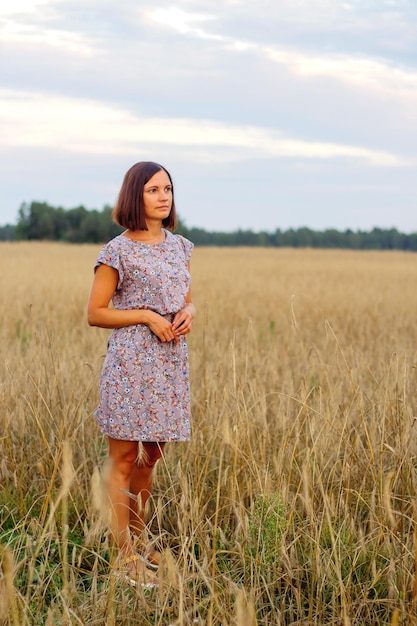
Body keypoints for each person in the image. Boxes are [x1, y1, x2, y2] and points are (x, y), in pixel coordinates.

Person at [87, 161, 195, 588]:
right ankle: (123, 556)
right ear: (136, 196)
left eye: (167, 188)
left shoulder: (181, 246)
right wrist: (148, 316)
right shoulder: (117, 250)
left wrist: (189, 312)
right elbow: (96, 313)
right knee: (125, 458)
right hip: (131, 365)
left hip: (169, 364)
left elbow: (186, 298)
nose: (163, 196)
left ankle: (139, 537)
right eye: (153, 190)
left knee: (151, 460)